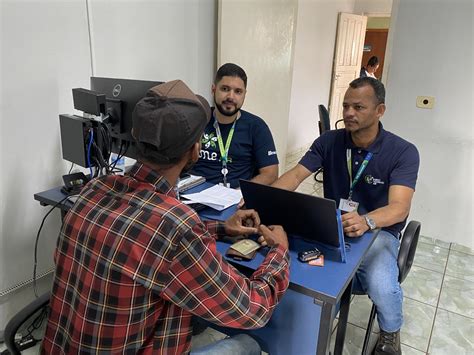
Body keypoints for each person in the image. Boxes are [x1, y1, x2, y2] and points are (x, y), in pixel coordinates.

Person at [41, 80, 290, 355]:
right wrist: (279, 253)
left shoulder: (93, 189)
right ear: (195, 151)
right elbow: (253, 310)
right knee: (249, 344)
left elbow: (147, 236)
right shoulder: (177, 227)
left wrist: (220, 229)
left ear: (135, 135)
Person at [273, 77, 419, 355]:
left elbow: (399, 207)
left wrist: (367, 221)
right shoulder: (330, 141)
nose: (349, 113)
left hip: (378, 230)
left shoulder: (403, 152)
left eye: (359, 107)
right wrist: (267, 199)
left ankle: (390, 334)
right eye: (346, 106)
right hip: (333, 224)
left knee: (382, 285)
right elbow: (294, 175)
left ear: (380, 111)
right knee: (300, 271)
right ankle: (306, 336)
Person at [191, 63, 279, 188]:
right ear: (213, 89)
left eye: (238, 91)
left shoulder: (257, 126)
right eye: (225, 89)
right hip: (195, 196)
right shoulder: (197, 119)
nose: (231, 97)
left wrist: (241, 193)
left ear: (244, 95)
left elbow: (270, 174)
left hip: (237, 199)